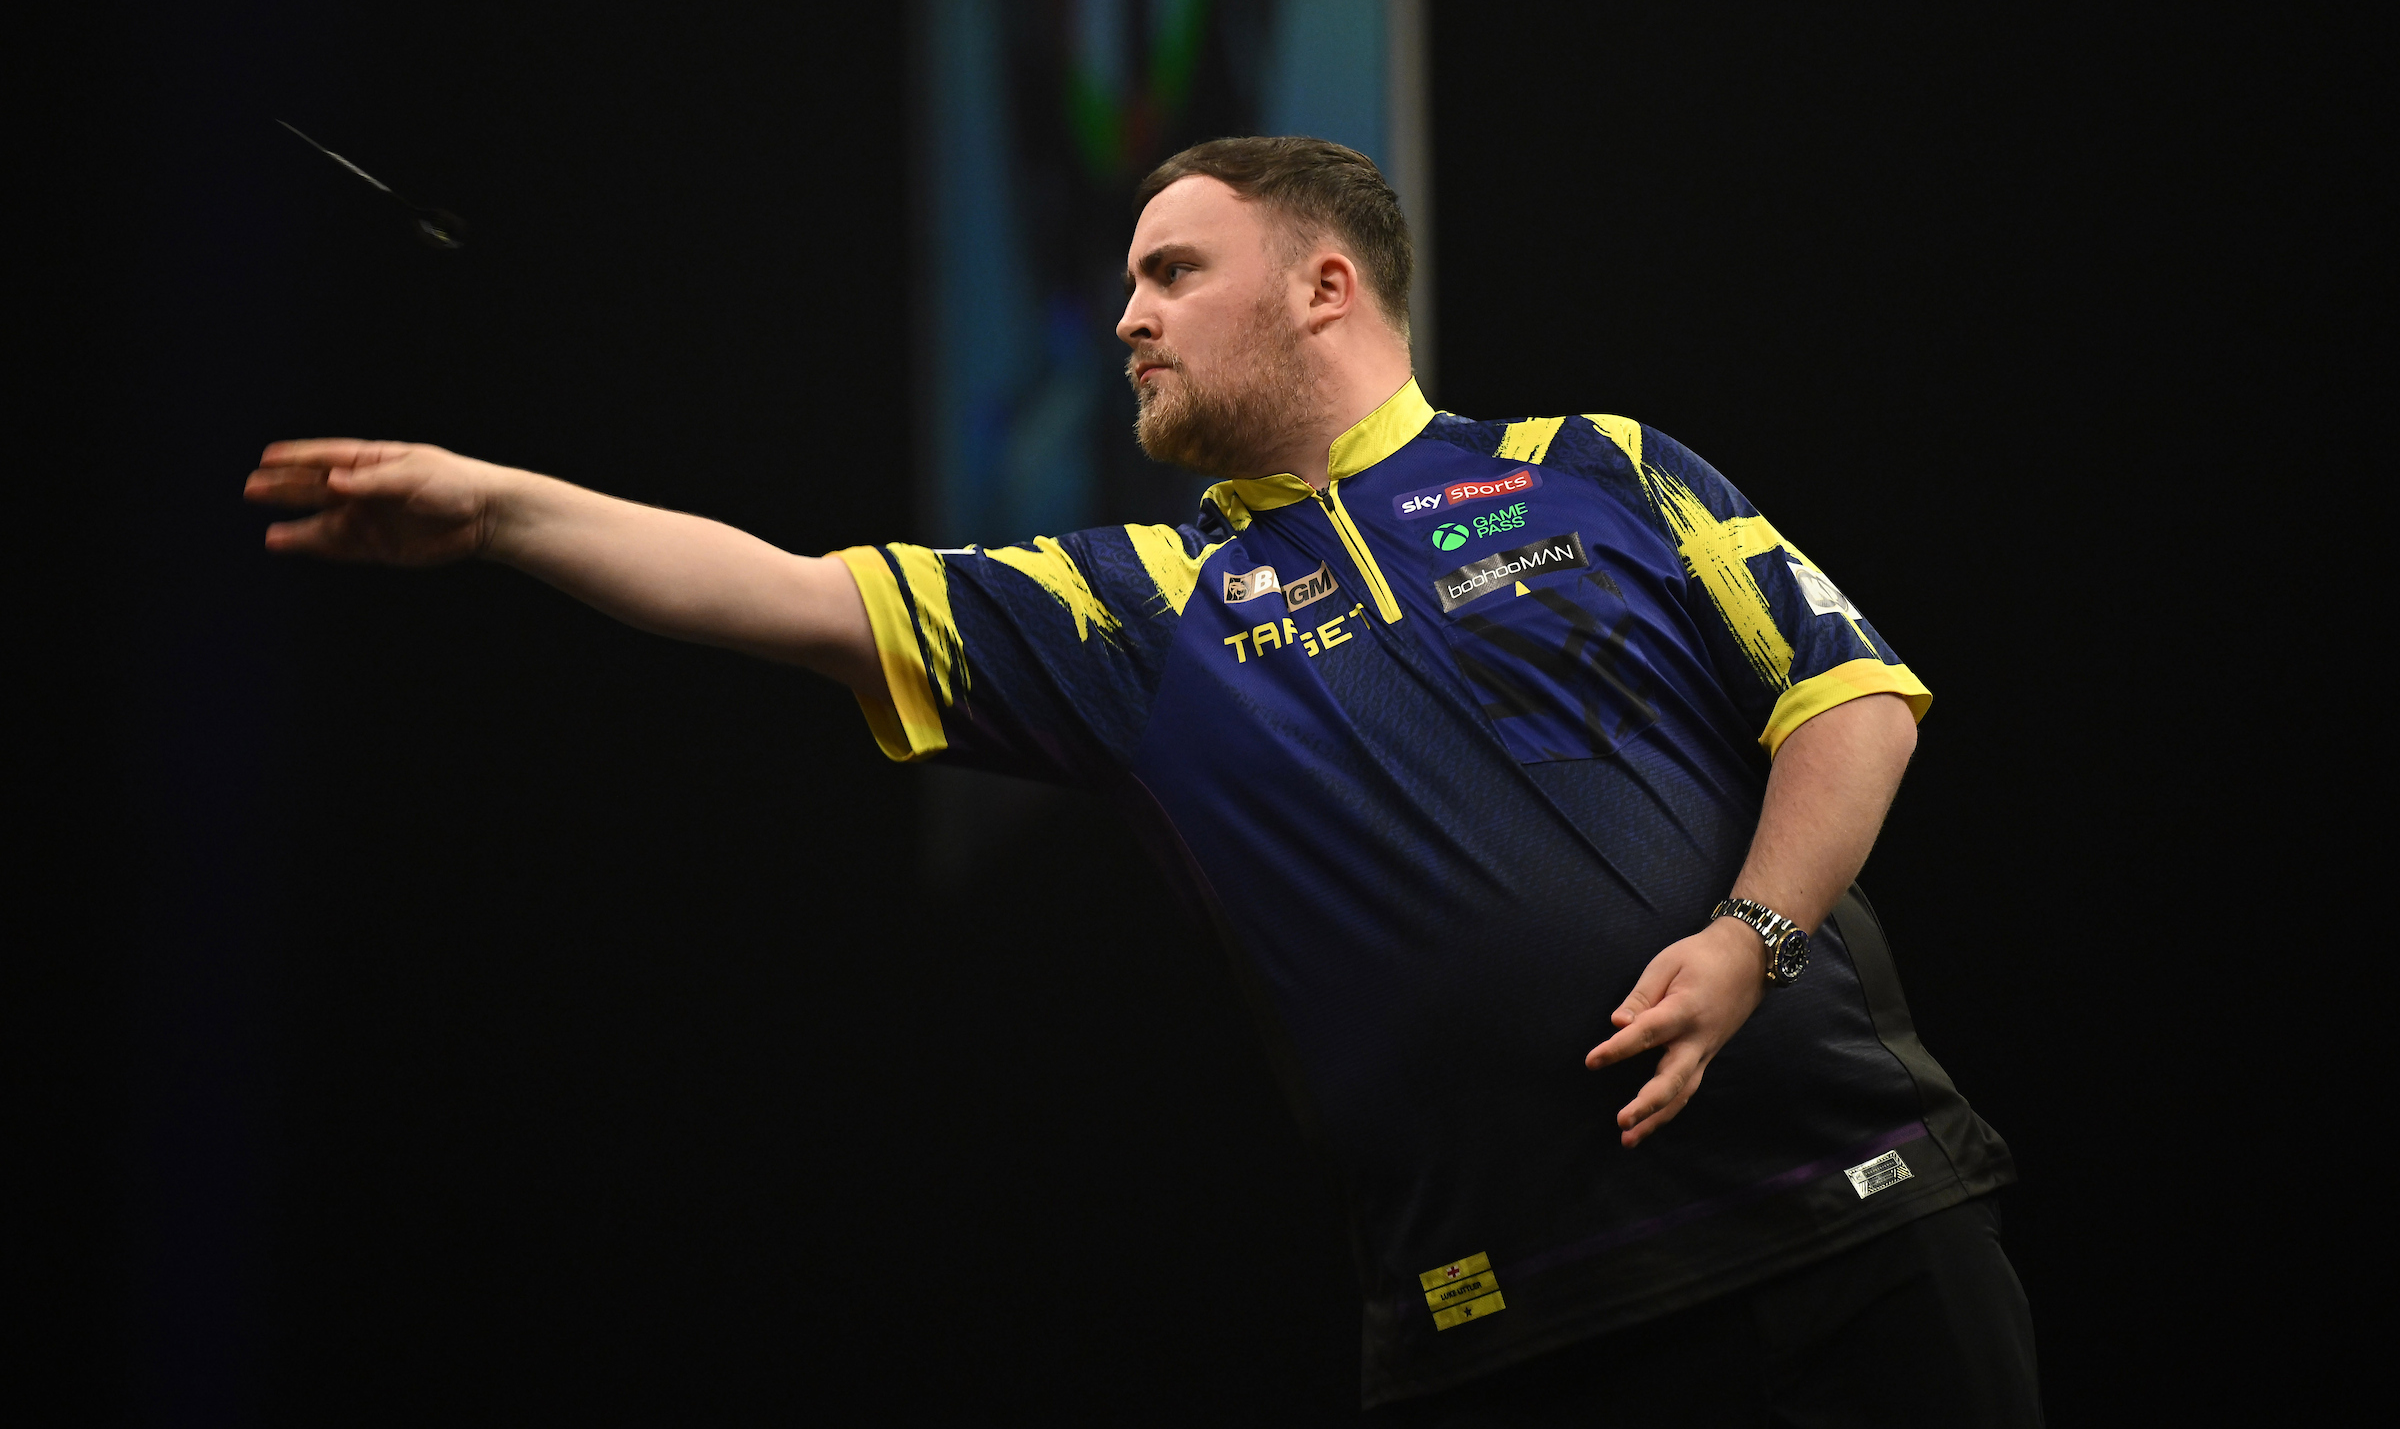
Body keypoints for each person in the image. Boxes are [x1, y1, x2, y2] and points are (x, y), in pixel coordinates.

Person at [244, 137, 2039, 1423]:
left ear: (1326, 286)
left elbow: (1852, 700)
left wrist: (1752, 938)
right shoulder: (1140, 609)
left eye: (1172, 271)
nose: (1125, 319)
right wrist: (502, 511)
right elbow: (788, 594)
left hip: (1862, 1226)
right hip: (1519, 1331)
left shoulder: (1601, 468)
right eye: (1126, 283)